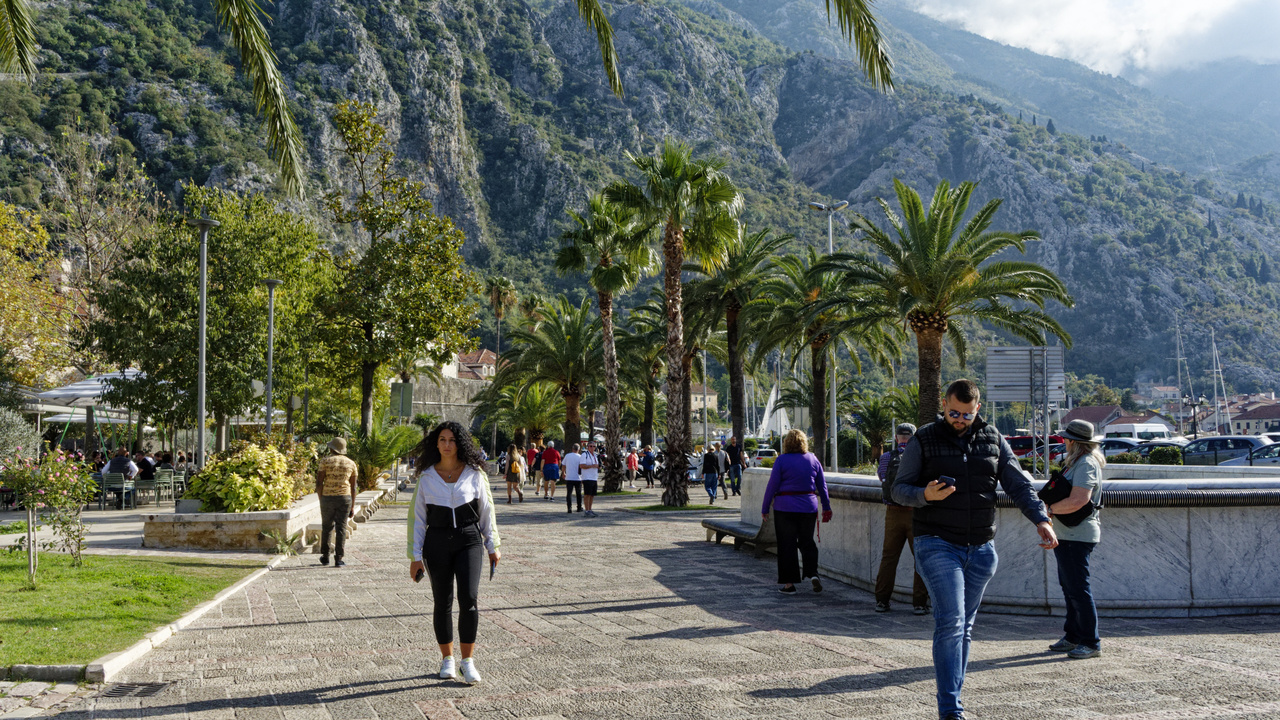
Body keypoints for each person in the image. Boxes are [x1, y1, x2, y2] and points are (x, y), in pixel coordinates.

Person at [891, 379, 1057, 720]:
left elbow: (1019, 484)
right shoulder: (924, 438)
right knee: (951, 621)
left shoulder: (993, 439)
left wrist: (1041, 518)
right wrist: (925, 495)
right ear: (944, 404)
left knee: (964, 626)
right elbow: (897, 489)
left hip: (981, 548)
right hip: (935, 542)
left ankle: (953, 697)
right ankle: (951, 710)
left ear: (977, 408)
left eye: (966, 414)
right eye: (953, 412)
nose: (959, 419)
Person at [407, 421, 500, 685]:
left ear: (460, 443)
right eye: (442, 440)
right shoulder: (426, 477)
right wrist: (415, 556)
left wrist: (493, 546)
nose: (447, 445)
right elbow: (417, 519)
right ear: (436, 444)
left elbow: (487, 511)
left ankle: (467, 662)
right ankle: (447, 659)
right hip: (436, 542)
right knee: (442, 600)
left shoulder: (474, 473)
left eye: (452, 440)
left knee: (469, 598)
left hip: (469, 540)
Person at [1046, 419, 1106, 660]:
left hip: (1077, 535)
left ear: (1073, 442)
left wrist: (1048, 509)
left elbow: (1079, 500)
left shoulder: (1085, 464)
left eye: (1066, 439)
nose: (1064, 442)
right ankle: (1072, 636)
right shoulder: (1079, 462)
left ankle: (1091, 642)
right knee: (1070, 587)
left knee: (1078, 589)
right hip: (1069, 534)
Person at [761, 429, 831, 594]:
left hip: (784, 507)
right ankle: (812, 573)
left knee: (787, 545)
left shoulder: (782, 460)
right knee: (807, 541)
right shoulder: (813, 459)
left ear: (786, 443)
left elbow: (772, 486)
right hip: (808, 506)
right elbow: (822, 486)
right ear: (804, 443)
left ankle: (789, 584)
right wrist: (826, 507)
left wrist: (765, 508)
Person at [874, 423, 930, 615]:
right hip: (915, 513)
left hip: (893, 513)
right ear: (913, 438)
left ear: (897, 438)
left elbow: (882, 478)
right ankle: (920, 603)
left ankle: (882, 601)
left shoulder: (886, 457)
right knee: (920, 559)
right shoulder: (920, 457)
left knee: (889, 558)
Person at [315, 437, 359, 567]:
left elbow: (319, 483)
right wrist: (352, 506)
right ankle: (339, 559)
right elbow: (354, 487)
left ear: (332, 448)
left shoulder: (325, 462)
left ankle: (325, 556)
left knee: (327, 527)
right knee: (341, 527)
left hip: (327, 497)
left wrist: (321, 498)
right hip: (344, 498)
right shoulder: (351, 463)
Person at [561, 443, 584, 514]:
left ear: (572, 448)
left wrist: (563, 472)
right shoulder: (580, 457)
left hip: (569, 477)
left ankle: (569, 508)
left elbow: (563, 465)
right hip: (578, 478)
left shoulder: (567, 456)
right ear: (579, 449)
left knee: (569, 493)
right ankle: (579, 507)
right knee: (578, 493)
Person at [580, 441, 601, 517]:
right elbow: (582, 465)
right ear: (587, 447)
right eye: (590, 446)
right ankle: (587, 510)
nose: (592, 448)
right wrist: (592, 466)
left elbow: (598, 465)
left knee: (592, 495)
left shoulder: (595, 455)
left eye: (594, 446)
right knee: (587, 494)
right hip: (587, 477)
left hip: (594, 477)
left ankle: (590, 509)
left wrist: (598, 466)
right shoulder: (584, 455)